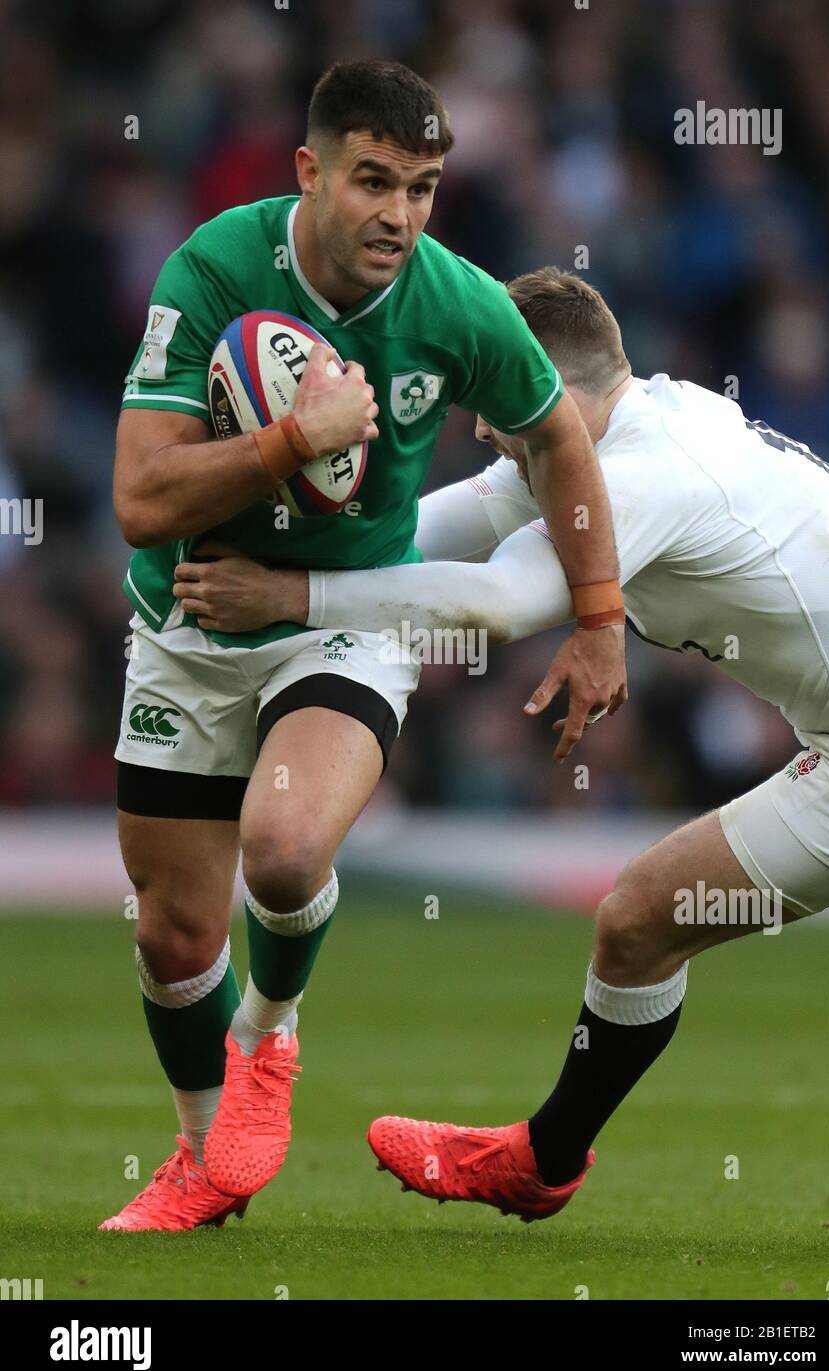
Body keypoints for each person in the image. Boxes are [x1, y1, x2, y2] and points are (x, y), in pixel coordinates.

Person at [185, 267, 829, 1222]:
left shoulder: (643, 474)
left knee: (638, 918)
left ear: (557, 386)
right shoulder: (612, 433)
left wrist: (291, 599)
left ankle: (541, 1162)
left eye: (500, 395)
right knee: (637, 924)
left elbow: (497, 603)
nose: (479, 426)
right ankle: (542, 1162)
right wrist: (275, 524)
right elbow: (426, 538)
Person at [104, 63, 626, 1232]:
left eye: (424, 188)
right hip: (188, 614)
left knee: (283, 852)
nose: (399, 214)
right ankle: (203, 1161)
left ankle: (270, 1037)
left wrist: (597, 620)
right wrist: (294, 438)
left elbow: (557, 441)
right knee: (172, 928)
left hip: (344, 612)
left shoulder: (460, 303)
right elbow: (140, 498)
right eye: (373, 181)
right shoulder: (212, 268)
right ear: (310, 171)